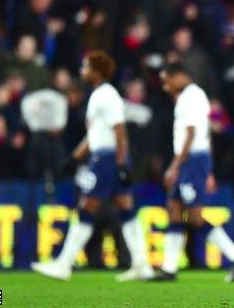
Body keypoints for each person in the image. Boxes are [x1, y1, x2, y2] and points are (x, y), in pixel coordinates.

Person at [31, 50, 153, 281]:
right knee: (126, 210)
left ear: (97, 71)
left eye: (86, 67)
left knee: (86, 208)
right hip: (106, 157)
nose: (82, 71)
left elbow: (120, 131)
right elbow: (97, 133)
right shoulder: (99, 95)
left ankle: (63, 264)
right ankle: (142, 264)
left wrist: (119, 165)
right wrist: (75, 158)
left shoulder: (106, 96)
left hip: (106, 159)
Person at [152, 63, 234, 282]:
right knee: (174, 208)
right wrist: (209, 171)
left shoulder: (191, 97)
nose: (165, 86)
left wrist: (174, 167)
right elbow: (205, 135)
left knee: (195, 216)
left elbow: (191, 133)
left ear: (178, 76)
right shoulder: (191, 95)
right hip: (194, 160)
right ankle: (169, 268)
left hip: (191, 161)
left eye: (166, 80)